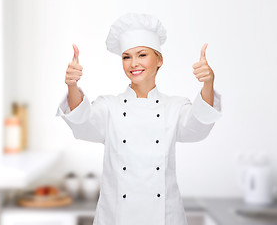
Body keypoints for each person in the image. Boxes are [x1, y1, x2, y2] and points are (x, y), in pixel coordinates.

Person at [56, 12, 222, 225]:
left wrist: (208, 84)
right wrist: (72, 85)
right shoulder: (109, 106)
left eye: (142, 55)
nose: (134, 63)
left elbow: (198, 126)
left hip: (164, 217)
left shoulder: (174, 107)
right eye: (127, 57)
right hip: (116, 217)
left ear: (159, 59)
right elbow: (83, 121)